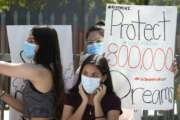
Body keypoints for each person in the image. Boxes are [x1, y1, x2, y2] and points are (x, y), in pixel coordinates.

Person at [0, 26, 64, 120]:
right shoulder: (49, 69)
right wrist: (2, 94)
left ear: (44, 45)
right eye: (27, 40)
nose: (26, 43)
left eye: (31, 41)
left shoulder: (39, 72)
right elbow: (28, 108)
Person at [62, 54, 122, 120]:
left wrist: (97, 103)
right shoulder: (71, 96)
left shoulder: (113, 101)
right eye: (85, 74)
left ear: (103, 78)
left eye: (94, 75)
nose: (89, 78)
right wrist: (84, 102)